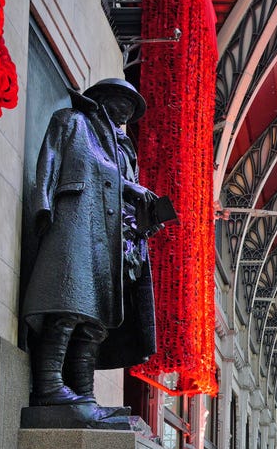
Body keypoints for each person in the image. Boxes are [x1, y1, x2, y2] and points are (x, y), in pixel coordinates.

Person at [22, 78, 170, 414]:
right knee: (68, 306)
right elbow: (59, 160)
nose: (127, 114)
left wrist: (144, 218)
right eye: (123, 104)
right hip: (78, 222)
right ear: (104, 98)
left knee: (97, 322)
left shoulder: (122, 148)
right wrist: (42, 204)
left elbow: (122, 193)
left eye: (131, 111)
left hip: (112, 240)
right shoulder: (74, 122)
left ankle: (83, 394)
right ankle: (47, 385)